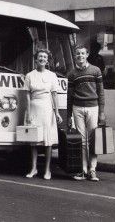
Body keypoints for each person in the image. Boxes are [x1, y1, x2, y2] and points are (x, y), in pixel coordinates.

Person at [67, 45, 106, 182]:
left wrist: (102, 112)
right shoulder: (72, 74)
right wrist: (69, 116)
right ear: (75, 56)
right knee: (82, 141)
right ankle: (83, 170)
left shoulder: (96, 71)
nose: (80, 56)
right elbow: (69, 97)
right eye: (78, 54)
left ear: (87, 54)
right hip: (77, 108)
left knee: (93, 140)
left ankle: (92, 170)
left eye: (82, 53)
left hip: (93, 108)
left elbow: (101, 93)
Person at [24, 49, 63, 180]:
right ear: (36, 59)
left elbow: (54, 95)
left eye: (45, 57)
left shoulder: (52, 75)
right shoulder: (29, 75)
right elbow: (28, 96)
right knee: (34, 141)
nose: (42, 59)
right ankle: (33, 168)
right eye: (40, 56)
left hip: (47, 109)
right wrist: (28, 113)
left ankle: (47, 170)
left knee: (48, 141)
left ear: (48, 60)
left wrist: (57, 112)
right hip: (34, 109)